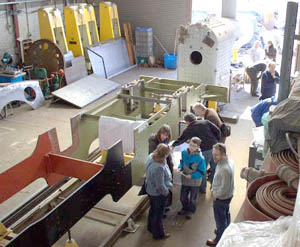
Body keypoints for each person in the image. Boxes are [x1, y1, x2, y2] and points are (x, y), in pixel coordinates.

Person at [172, 113, 220, 194]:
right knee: (215, 168)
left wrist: (173, 145)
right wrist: (216, 141)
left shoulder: (189, 129)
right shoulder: (205, 122)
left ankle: (202, 189)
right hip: (215, 147)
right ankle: (213, 187)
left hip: (205, 150)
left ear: (187, 122)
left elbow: (181, 139)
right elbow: (217, 130)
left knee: (202, 170)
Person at [206, 143, 234, 247]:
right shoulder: (228, 161)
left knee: (220, 220)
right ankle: (225, 230)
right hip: (228, 197)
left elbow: (224, 188)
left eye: (216, 155)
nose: (213, 157)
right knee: (225, 214)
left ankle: (218, 240)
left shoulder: (224, 169)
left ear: (223, 154)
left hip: (221, 199)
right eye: (213, 154)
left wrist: (215, 195)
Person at [145, 143, 172, 240]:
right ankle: (159, 234)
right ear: (164, 155)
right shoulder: (159, 167)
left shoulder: (150, 157)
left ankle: (150, 227)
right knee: (158, 214)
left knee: (153, 210)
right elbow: (160, 185)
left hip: (150, 190)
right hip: (158, 194)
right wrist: (166, 193)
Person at [177, 137, 206, 220]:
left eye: (193, 146)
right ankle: (185, 208)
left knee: (193, 198)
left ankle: (191, 211)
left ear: (198, 147)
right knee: (183, 197)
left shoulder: (200, 158)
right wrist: (180, 167)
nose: (191, 147)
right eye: (190, 145)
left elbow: (202, 172)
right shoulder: (184, 153)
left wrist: (192, 176)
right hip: (185, 180)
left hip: (195, 182)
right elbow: (182, 162)